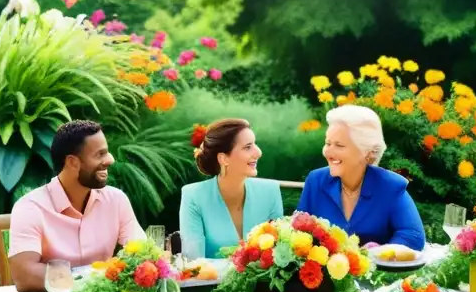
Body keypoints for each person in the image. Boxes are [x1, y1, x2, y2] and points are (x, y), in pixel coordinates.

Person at [9, 120, 144, 292]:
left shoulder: (116, 200)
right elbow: (25, 275)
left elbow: (142, 255)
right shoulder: (30, 208)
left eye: (107, 152)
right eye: (99, 154)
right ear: (72, 162)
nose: (110, 160)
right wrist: (94, 277)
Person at [296, 105, 425, 250]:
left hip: (376, 271)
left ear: (367, 152)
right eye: (328, 144)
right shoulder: (316, 181)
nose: (328, 152)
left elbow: (413, 236)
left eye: (339, 145)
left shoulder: (390, 186)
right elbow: (298, 229)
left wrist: (376, 255)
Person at [179, 118, 284, 259]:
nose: (258, 152)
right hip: (211, 281)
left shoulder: (270, 191)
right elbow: (193, 262)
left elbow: (280, 255)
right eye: (248, 147)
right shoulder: (193, 196)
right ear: (224, 159)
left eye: (255, 144)